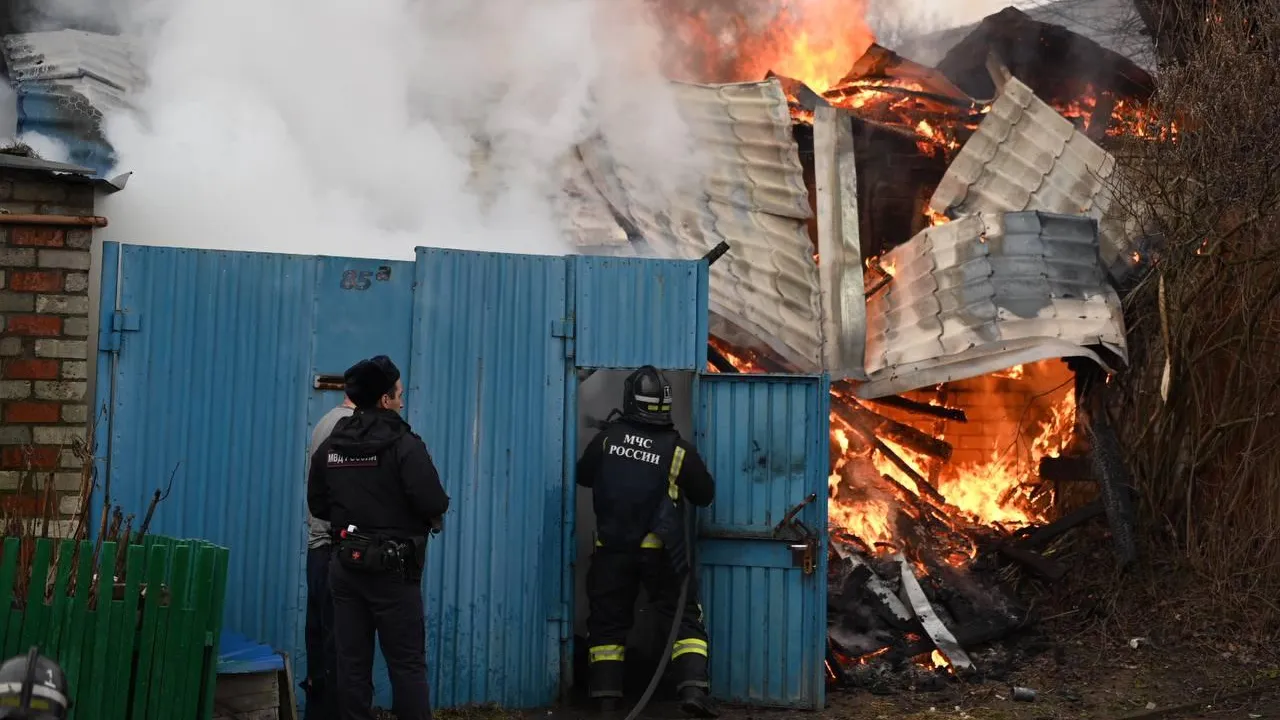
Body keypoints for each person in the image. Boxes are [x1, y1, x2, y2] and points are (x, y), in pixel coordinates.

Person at [308, 356, 450, 720]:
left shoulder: (332, 445)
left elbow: (319, 504)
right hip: (393, 570)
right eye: (398, 393)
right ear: (385, 400)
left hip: (346, 566)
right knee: (406, 665)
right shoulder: (404, 444)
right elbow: (434, 501)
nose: (402, 400)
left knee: (351, 665)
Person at [577, 366, 718, 718]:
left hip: (612, 551)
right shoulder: (677, 449)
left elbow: (583, 476)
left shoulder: (607, 440)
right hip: (662, 554)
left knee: (608, 625)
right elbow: (705, 494)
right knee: (684, 619)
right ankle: (693, 692)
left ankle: (607, 701)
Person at [302, 393, 355, 720]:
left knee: (319, 642)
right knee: (339, 647)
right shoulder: (347, 426)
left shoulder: (325, 421)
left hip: (318, 548)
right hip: (334, 548)